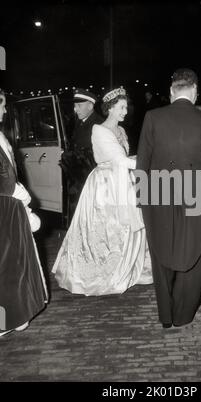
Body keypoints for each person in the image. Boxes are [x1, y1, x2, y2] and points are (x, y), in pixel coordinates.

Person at [52, 87, 152, 296]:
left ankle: (128, 265)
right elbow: (121, 160)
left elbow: (127, 158)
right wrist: (151, 159)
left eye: (126, 107)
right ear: (111, 109)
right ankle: (106, 271)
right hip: (106, 186)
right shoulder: (99, 130)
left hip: (123, 181)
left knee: (126, 228)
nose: (126, 111)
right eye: (122, 107)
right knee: (108, 230)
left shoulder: (121, 130)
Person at [136, 68, 201, 328]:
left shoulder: (152, 117)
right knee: (194, 249)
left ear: (171, 91)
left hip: (158, 186)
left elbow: (143, 162)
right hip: (192, 185)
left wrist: (142, 200)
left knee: (161, 248)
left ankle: (166, 316)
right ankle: (183, 315)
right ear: (195, 92)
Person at [0, 91, 48, 337]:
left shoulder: (1, 136)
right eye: (3, 106)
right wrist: (22, 194)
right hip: (4, 207)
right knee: (6, 262)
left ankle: (15, 313)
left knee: (13, 262)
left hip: (9, 208)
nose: (5, 111)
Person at [62, 88, 104, 220]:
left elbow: (94, 156)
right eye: (75, 105)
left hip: (89, 181)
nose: (75, 109)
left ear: (90, 106)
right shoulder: (81, 121)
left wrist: (68, 157)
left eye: (79, 105)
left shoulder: (98, 124)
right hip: (79, 180)